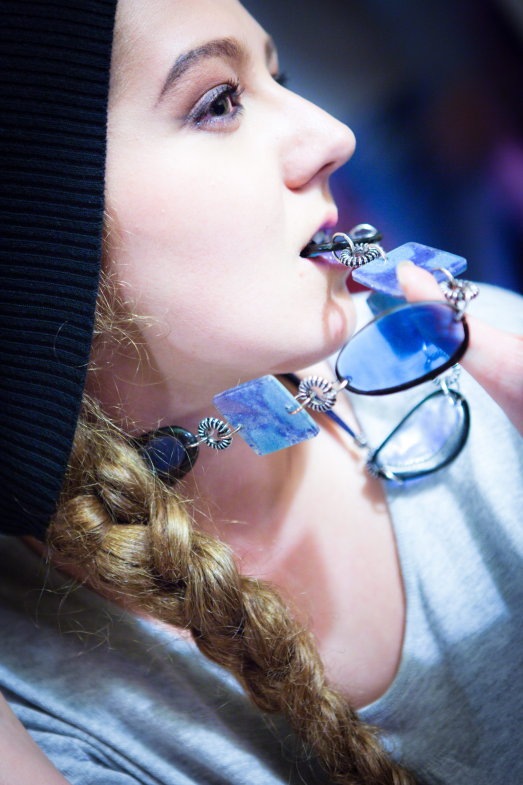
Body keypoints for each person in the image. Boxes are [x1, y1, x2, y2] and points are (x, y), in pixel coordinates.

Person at [0, 1, 521, 784]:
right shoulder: (39, 708)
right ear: (37, 235)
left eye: (279, 75)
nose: (332, 135)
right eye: (218, 102)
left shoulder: (486, 358)